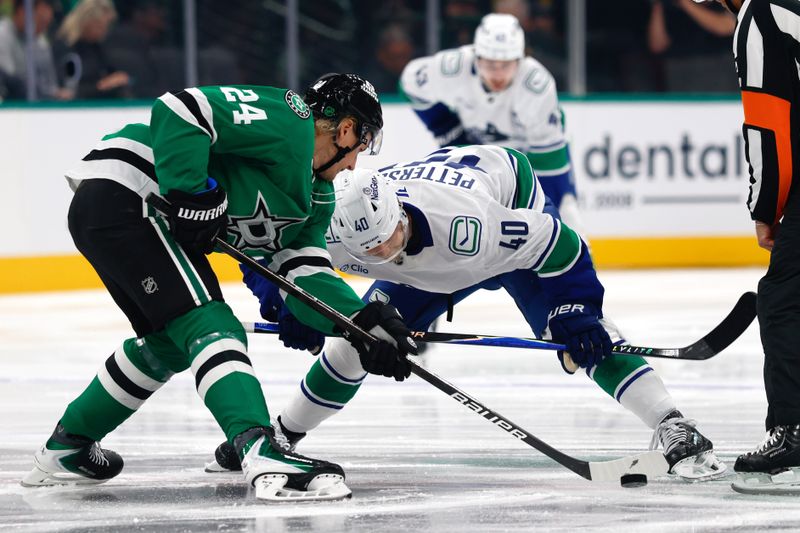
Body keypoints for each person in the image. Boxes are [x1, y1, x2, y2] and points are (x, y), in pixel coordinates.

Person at [209, 144, 726, 482]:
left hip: (504, 197)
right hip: (437, 236)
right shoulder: (334, 227)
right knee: (355, 341)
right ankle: (282, 436)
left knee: (579, 337)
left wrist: (576, 307)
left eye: (389, 239)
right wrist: (286, 301)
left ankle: (673, 423)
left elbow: (557, 242)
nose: (382, 255)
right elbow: (266, 253)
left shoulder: (471, 228)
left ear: (396, 214)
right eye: (367, 252)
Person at [20, 73, 417, 502]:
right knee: (209, 323)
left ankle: (67, 447)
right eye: (364, 143)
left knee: (168, 343)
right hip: (129, 193)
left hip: (124, 213)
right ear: (346, 129)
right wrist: (190, 190)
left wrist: (359, 323)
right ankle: (260, 449)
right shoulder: (290, 119)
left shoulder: (316, 199)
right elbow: (181, 109)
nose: (357, 162)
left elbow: (303, 272)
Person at [690, 0, 800, 493]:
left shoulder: (760, 16)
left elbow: (769, 127)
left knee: (785, 298)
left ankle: (794, 430)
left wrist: (765, 207)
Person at [399, 13, 587, 240]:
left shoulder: (536, 85)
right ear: (477, 57)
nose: (497, 74)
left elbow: (549, 160)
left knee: (567, 215)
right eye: (489, 63)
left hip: (528, 158)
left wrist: (547, 216)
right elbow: (409, 83)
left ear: (520, 59)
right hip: (477, 155)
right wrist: (446, 128)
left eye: (506, 64)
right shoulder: (452, 68)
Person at [53, 0, 131, 99]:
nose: (104, 31)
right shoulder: (65, 48)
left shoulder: (97, 47)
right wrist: (101, 86)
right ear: (86, 21)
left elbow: (109, 71)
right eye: (100, 26)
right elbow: (66, 89)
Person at [0, 0, 73, 100]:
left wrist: (57, 94)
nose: (42, 29)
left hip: (41, 106)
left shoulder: (40, 41)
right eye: (40, 22)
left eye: (46, 24)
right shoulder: (3, 35)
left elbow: (51, 84)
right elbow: (9, 83)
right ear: (23, 11)